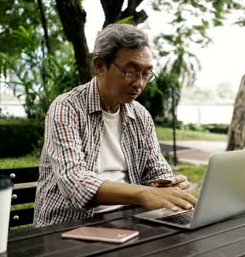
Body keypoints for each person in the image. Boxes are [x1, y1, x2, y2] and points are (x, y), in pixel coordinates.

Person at [34, 24, 196, 227]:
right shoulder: (67, 108)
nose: (139, 83)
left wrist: (170, 184)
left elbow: (156, 171)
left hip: (128, 221)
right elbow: (74, 183)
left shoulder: (140, 116)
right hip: (68, 226)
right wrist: (144, 194)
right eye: (131, 71)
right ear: (100, 65)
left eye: (146, 74)